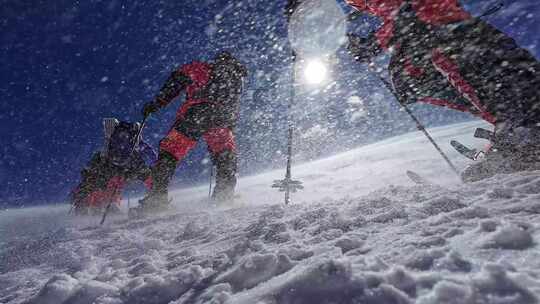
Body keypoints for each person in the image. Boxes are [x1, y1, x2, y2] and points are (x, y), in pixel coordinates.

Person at [345, 0, 540, 181]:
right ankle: (520, 129)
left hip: (444, 32)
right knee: (510, 72)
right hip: (456, 27)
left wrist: (371, 44)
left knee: (420, 77)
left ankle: (522, 137)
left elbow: (406, 15)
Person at [138, 51, 247, 210]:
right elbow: (234, 106)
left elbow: (174, 84)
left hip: (195, 114)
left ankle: (156, 199)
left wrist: (156, 104)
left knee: (170, 151)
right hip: (221, 118)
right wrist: (229, 125)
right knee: (225, 155)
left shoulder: (200, 68)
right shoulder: (237, 78)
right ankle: (224, 196)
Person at [70, 119, 156, 215]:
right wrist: (155, 163)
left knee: (108, 183)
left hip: (115, 166)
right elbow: (147, 150)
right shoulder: (134, 139)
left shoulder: (113, 139)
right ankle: (157, 196)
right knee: (148, 178)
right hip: (130, 165)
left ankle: (99, 204)